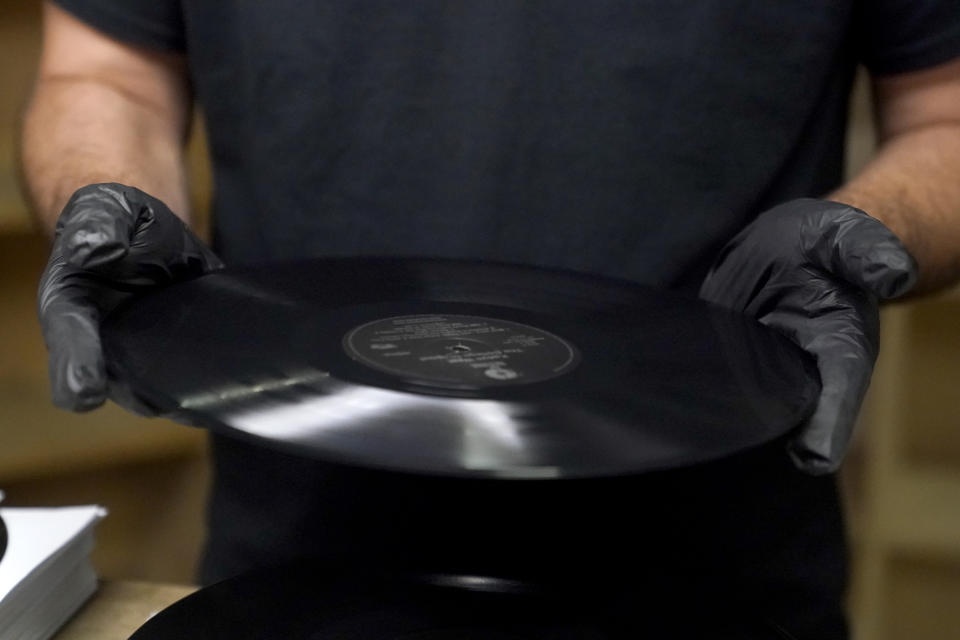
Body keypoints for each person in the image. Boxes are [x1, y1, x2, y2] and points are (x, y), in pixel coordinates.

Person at [20, 1, 960, 637]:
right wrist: (109, 197)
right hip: (293, 565)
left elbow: (944, 115)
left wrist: (867, 236)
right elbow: (108, 74)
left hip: (720, 572)